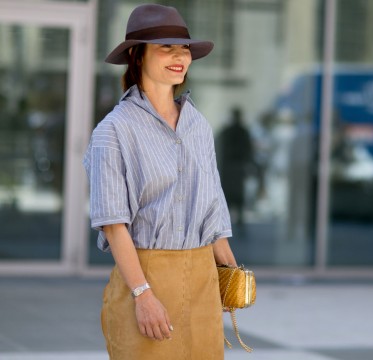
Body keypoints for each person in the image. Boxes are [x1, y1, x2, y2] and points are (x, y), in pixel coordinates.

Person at [83, 4, 236, 359]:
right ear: (137, 56)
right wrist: (143, 295)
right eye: (166, 47)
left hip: (202, 281)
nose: (179, 56)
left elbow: (213, 213)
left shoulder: (198, 126)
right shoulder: (113, 132)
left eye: (183, 48)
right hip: (146, 277)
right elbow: (113, 224)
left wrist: (230, 274)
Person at [217, 107, 254, 226]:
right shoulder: (235, 131)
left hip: (234, 166)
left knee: (235, 194)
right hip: (233, 166)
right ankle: (231, 220)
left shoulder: (236, 131)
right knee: (231, 194)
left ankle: (236, 220)